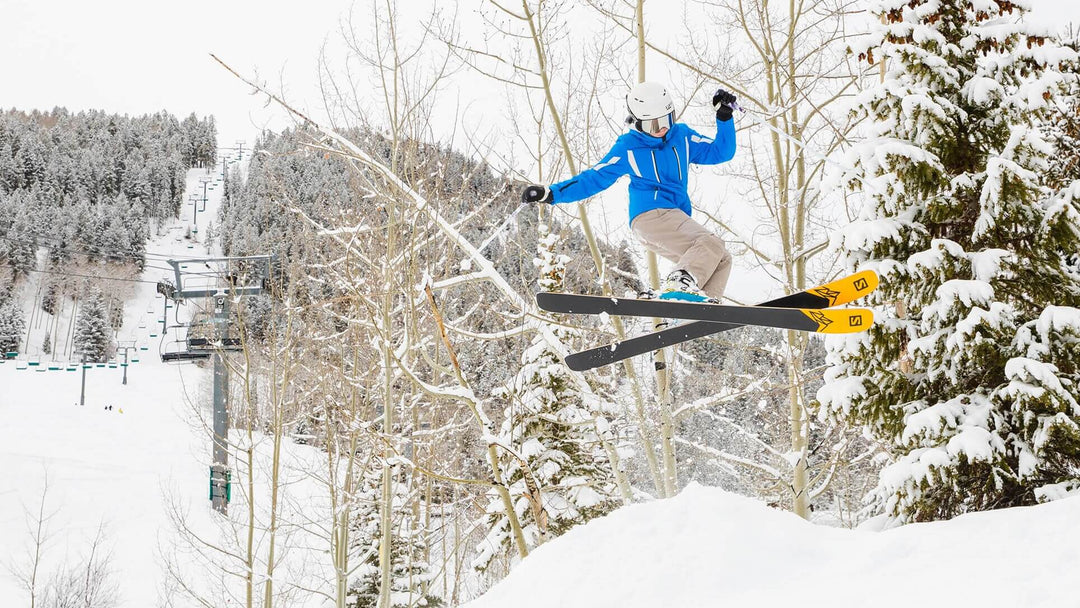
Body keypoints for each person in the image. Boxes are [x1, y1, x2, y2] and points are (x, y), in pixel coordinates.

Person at [522, 82, 738, 302]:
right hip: (651, 216)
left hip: (673, 219)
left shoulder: (681, 136)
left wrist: (724, 117)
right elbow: (594, 178)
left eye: (667, 120)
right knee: (711, 243)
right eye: (653, 125)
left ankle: (696, 312)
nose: (662, 129)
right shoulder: (628, 146)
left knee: (721, 258)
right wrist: (552, 193)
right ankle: (678, 283)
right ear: (638, 123)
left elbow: (721, 152)